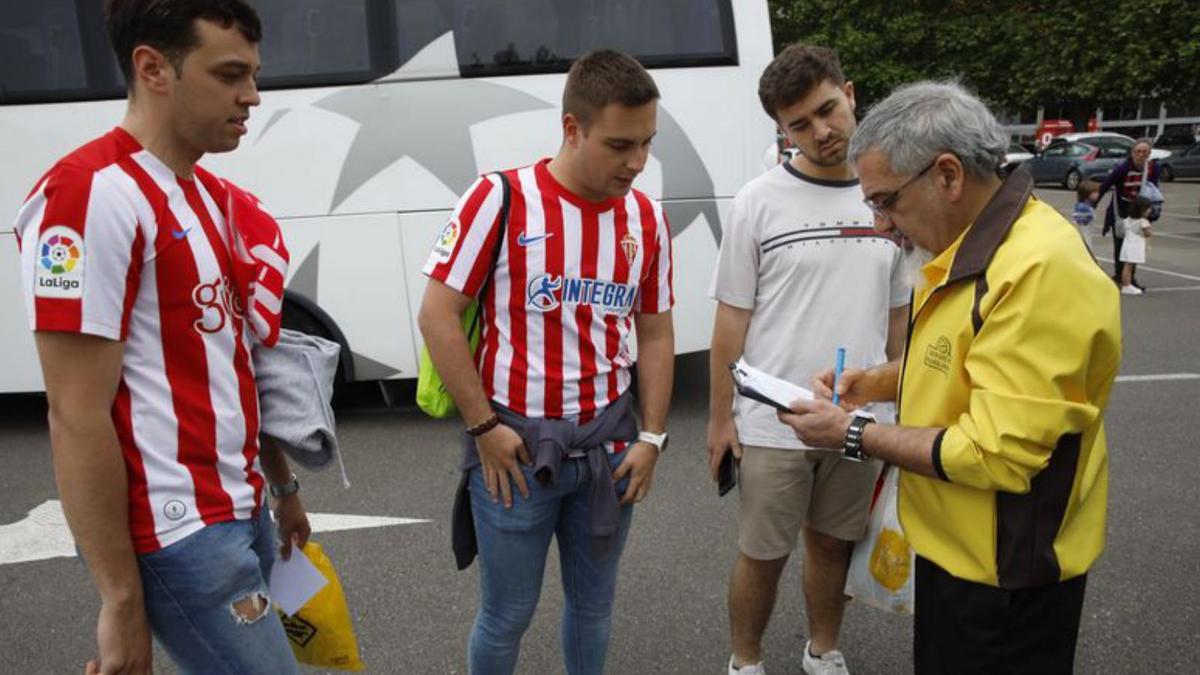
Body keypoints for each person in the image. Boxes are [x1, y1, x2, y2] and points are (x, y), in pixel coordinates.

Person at [776, 81, 1121, 675]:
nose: (883, 224)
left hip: (1005, 575)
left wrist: (851, 433)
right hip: (953, 553)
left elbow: (997, 453)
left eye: (886, 202)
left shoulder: (1038, 269)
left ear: (948, 175)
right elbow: (954, 361)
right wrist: (873, 384)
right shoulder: (969, 247)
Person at [12, 2, 309, 674]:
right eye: (230, 73)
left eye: (254, 73)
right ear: (153, 69)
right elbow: (75, 412)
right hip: (181, 531)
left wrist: (282, 486)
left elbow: (231, 363)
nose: (252, 96)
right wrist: (120, 598)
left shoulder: (204, 194)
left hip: (239, 508)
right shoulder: (89, 196)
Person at [417, 49, 674, 675]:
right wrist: (483, 428)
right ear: (571, 127)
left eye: (646, 144)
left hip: (609, 449)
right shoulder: (498, 198)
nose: (636, 163)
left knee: (594, 607)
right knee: (507, 614)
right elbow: (437, 315)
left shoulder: (645, 216)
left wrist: (652, 437)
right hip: (515, 449)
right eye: (619, 145)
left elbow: (657, 331)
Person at [707, 45, 910, 675]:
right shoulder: (757, 202)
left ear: (850, 93)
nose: (821, 131)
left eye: (827, 110)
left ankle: (823, 650)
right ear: (782, 130)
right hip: (775, 421)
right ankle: (745, 661)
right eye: (799, 124)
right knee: (761, 553)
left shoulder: (890, 196)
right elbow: (730, 320)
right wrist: (720, 421)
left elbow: (899, 319)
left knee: (833, 546)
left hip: (859, 420)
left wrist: (900, 411)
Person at [1098, 138, 1158, 288]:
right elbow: (1106, 185)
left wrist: (1151, 212)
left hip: (1139, 211)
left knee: (1135, 246)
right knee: (1120, 245)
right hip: (1121, 210)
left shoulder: (1151, 169)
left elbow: (1154, 189)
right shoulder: (1122, 168)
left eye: (1144, 152)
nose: (1140, 155)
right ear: (1132, 153)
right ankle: (1120, 275)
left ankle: (1130, 278)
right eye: (1138, 152)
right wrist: (1091, 203)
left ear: (1149, 154)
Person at [1119, 195, 1153, 295]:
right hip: (1135, 245)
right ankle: (1126, 285)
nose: (1150, 210)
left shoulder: (1127, 220)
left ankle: (1127, 284)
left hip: (1127, 243)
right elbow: (1148, 233)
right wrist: (1149, 229)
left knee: (1127, 266)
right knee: (1129, 267)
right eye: (1148, 209)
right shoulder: (1143, 222)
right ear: (1142, 210)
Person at [1071, 179, 1100, 252]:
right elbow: (1082, 222)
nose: (1098, 194)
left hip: (1084, 240)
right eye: (1095, 192)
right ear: (1087, 194)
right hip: (1084, 242)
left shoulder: (1082, 206)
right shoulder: (1084, 209)